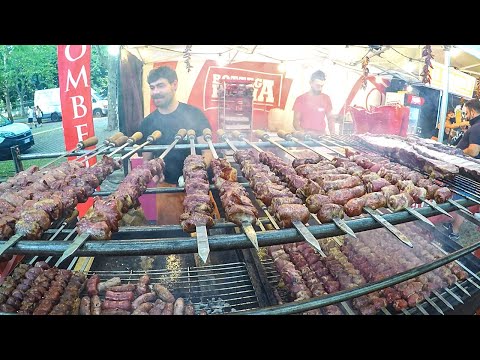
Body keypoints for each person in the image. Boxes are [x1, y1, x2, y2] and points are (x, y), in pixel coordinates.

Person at [139, 66, 212, 225]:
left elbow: (208, 153)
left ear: (174, 85)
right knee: (173, 239)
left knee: (206, 232)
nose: (155, 91)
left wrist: (194, 174)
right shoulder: (147, 123)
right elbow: (147, 160)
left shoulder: (194, 114)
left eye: (160, 85)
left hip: (197, 187)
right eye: (152, 87)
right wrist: (154, 174)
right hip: (166, 189)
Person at [443, 99, 480, 241]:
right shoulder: (476, 125)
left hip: (468, 174)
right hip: (472, 172)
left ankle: (454, 232)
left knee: (460, 200)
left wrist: (458, 152)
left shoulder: (477, 127)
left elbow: (474, 150)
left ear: (472, 111)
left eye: (465, 112)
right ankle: (452, 225)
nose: (465, 115)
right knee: (460, 199)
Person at [292, 70, 336, 135]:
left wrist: (333, 134)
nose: (320, 89)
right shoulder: (300, 99)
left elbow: (330, 119)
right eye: (318, 86)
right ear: (310, 83)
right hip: (305, 137)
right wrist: (304, 133)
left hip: (321, 136)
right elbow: (295, 122)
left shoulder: (326, 98)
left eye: (322, 86)